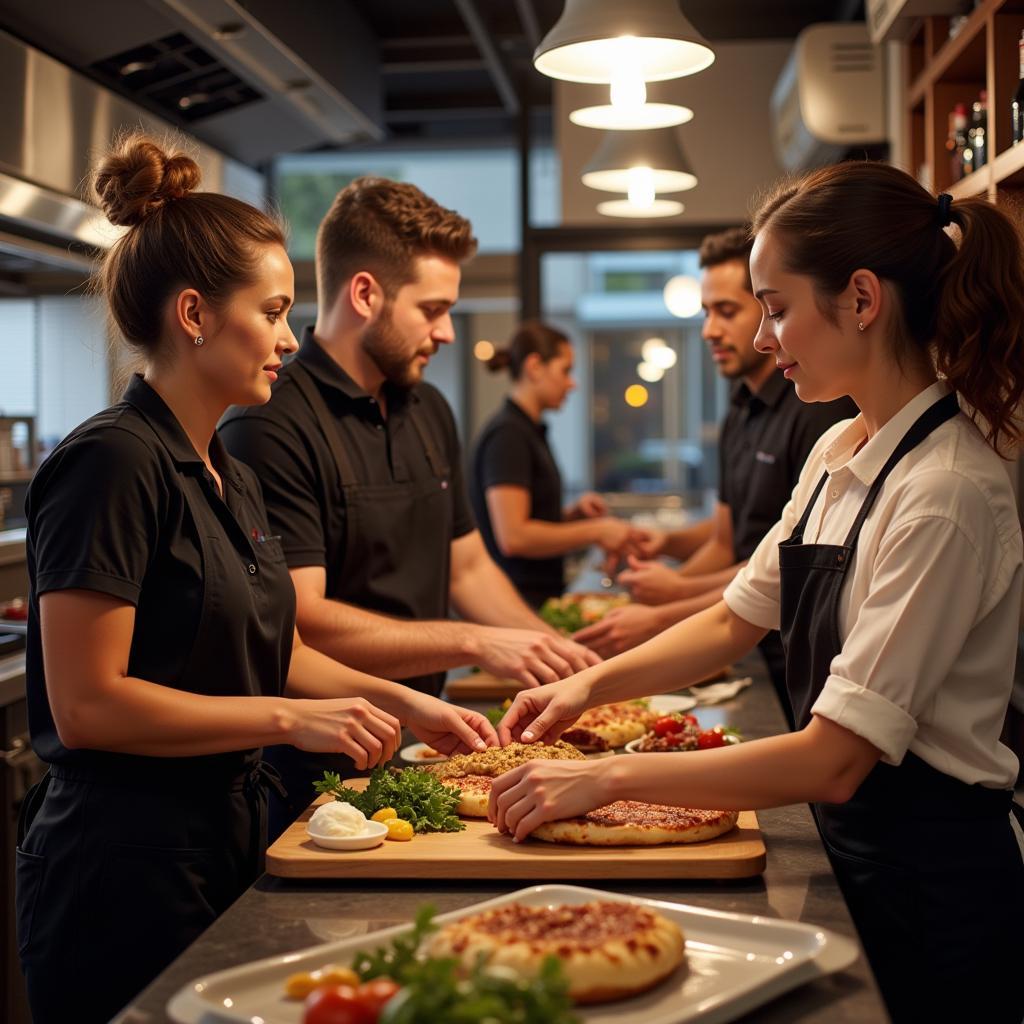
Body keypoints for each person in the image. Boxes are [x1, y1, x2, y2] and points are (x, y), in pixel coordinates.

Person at [489, 163, 1024, 1023]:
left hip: (933, 887)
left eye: (776, 306)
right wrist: (583, 686)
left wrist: (609, 781)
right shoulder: (837, 453)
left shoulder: (947, 492)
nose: (769, 338)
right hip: (849, 854)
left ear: (860, 299)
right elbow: (734, 617)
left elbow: (833, 759)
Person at [14, 136, 496, 1024]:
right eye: (272, 312)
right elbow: (89, 705)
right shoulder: (112, 462)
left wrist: (408, 705)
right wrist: (291, 719)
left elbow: (273, 647)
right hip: (122, 869)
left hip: (223, 842)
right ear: (194, 315)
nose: (287, 337)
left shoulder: (219, 469)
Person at [219, 177, 597, 833]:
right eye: (432, 309)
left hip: (426, 752)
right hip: (318, 780)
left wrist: (554, 660)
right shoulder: (271, 422)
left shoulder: (429, 408)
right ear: (365, 293)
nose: (447, 332)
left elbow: (471, 568)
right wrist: (474, 641)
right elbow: (301, 621)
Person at [576, 227, 855, 721]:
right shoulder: (740, 410)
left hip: (795, 655)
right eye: (706, 313)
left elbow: (794, 576)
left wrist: (674, 596)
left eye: (726, 311)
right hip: (752, 646)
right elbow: (731, 543)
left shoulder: (817, 411)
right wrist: (667, 573)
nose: (709, 330)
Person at [470, 321, 642, 608]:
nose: (572, 383)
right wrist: (596, 531)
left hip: (534, 598)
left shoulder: (529, 430)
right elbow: (514, 536)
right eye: (566, 371)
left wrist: (571, 515)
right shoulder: (508, 435)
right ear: (535, 366)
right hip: (515, 603)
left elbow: (529, 518)